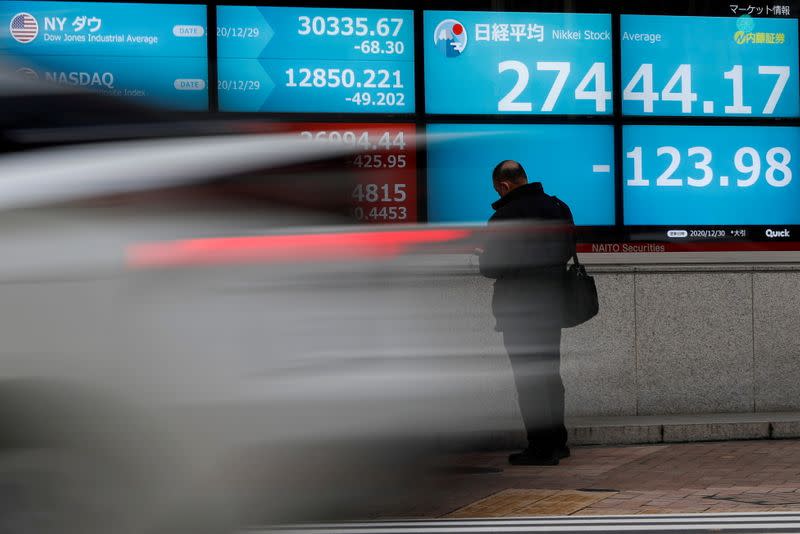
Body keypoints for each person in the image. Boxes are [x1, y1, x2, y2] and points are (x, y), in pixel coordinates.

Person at [478, 160, 575, 466]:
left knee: (528, 378)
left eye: (497, 188)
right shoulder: (559, 208)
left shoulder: (503, 217)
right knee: (549, 374)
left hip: (519, 309)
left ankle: (540, 448)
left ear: (503, 185)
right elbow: (567, 250)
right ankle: (558, 442)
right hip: (552, 304)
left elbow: (492, 267)